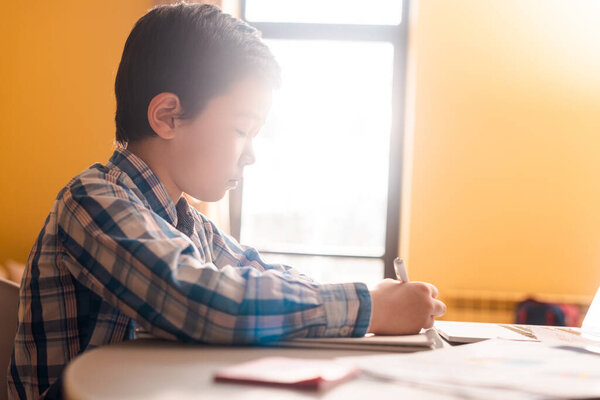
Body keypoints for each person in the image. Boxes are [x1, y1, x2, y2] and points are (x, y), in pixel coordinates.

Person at [7, 3, 446, 399]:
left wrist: (373, 296)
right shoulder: (91, 202)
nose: (251, 154)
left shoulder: (187, 225)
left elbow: (259, 274)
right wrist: (369, 306)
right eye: (241, 130)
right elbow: (202, 302)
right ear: (167, 116)